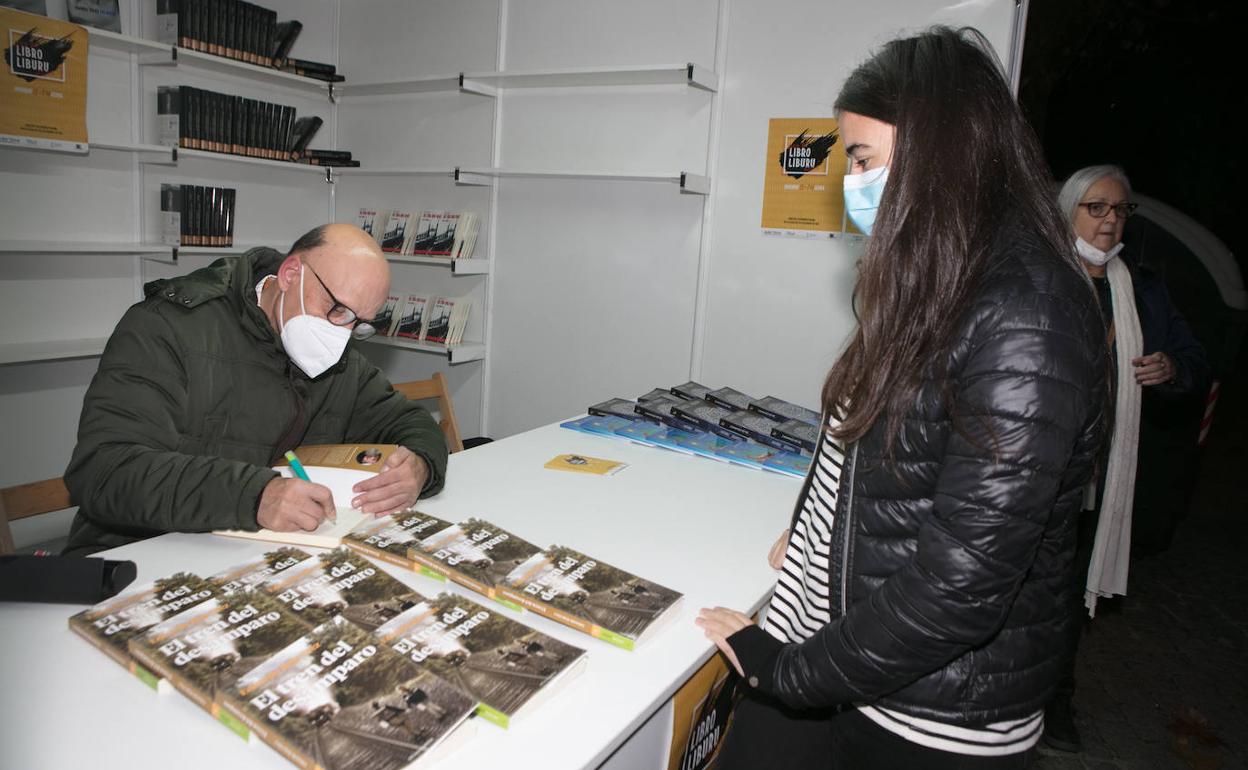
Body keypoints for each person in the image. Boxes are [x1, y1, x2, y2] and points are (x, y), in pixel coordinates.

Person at [695, 27, 1107, 767]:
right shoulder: (941, 273)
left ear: (942, 149)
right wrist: (819, 536)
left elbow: (961, 584)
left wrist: (784, 672)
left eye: (862, 160)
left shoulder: (1027, 312)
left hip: (922, 712)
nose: (850, 183)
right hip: (847, 650)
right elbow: (874, 448)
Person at [62, 224, 449, 556]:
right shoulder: (167, 328)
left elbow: (409, 420)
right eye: (336, 309)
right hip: (140, 551)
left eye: (358, 323)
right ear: (291, 274)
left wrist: (419, 465)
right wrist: (253, 495)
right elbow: (103, 469)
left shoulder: (340, 360)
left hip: (256, 555)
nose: (341, 333)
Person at [1043, 165, 1210, 752]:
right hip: (1038, 471)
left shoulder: (1141, 286)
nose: (1111, 220)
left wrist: (1172, 369)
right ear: (1068, 211)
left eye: (1121, 210)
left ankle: (1053, 702)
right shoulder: (1041, 277)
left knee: (1066, 597)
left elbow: (1193, 361)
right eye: (1097, 208)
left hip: (1100, 476)